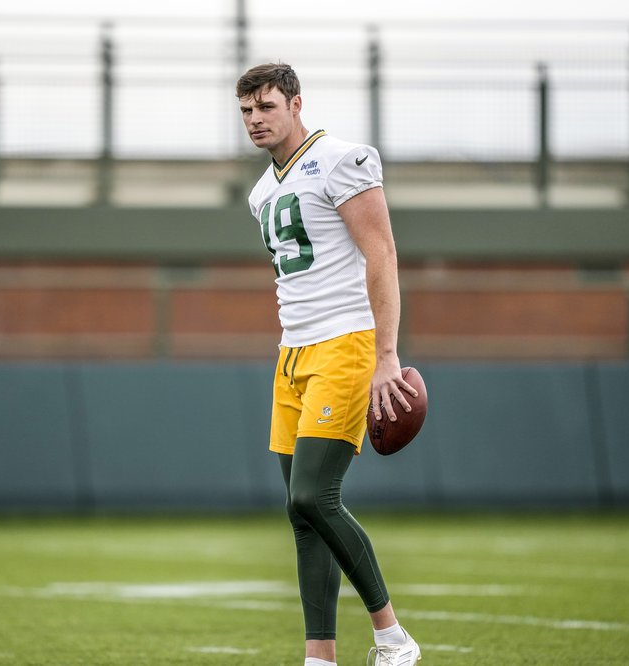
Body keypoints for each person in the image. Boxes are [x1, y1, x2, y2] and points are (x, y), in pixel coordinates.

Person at [236, 63, 422, 666]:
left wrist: (386, 355)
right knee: (299, 512)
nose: (255, 120)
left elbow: (383, 253)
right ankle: (320, 657)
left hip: (346, 343)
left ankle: (393, 637)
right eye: (245, 111)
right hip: (292, 352)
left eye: (265, 106)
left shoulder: (342, 159)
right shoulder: (261, 191)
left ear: (294, 103)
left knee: (316, 494)